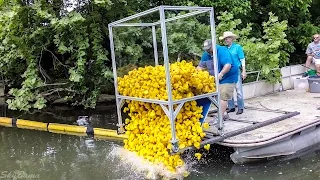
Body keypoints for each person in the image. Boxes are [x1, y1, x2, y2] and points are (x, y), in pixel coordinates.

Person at [197, 39, 239, 119]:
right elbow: (200, 67)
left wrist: (221, 74)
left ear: (213, 45)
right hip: (216, 78)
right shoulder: (206, 54)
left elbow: (228, 65)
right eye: (206, 49)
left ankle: (220, 119)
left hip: (228, 77)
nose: (208, 51)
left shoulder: (222, 51)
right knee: (216, 96)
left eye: (209, 49)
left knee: (223, 96)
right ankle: (224, 113)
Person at [219, 31, 246, 115]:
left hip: (236, 71)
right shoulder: (224, 49)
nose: (226, 40)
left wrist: (244, 71)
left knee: (238, 90)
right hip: (227, 72)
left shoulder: (237, 47)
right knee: (228, 90)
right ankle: (231, 107)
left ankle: (240, 107)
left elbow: (242, 59)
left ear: (231, 39)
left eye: (227, 38)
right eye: (225, 39)